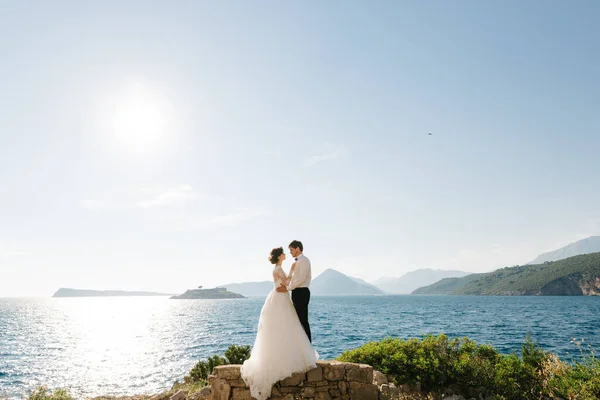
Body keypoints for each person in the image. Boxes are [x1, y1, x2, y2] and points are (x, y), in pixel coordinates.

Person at [240, 247, 318, 400]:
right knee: (283, 327)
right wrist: (291, 274)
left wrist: (291, 271)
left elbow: (287, 282)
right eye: (283, 253)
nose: (285, 255)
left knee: (287, 327)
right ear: (278, 256)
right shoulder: (277, 269)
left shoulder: (280, 268)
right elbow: (281, 286)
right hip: (279, 298)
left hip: (282, 297)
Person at [277, 240, 312, 342]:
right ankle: (301, 347)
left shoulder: (304, 261)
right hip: (296, 292)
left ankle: (308, 348)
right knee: (298, 321)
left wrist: (287, 288)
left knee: (303, 321)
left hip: (302, 292)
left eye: (291, 250)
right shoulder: (296, 262)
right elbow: (292, 279)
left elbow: (301, 279)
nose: (290, 252)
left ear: (297, 248)